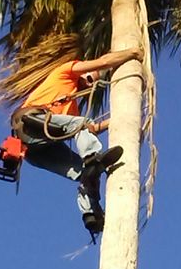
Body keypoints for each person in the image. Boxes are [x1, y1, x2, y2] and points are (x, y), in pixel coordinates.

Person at [12, 47, 143, 236]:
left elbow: (89, 129)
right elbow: (105, 62)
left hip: (35, 149)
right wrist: (132, 54)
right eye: (92, 77)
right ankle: (92, 157)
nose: (90, 83)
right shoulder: (65, 71)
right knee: (83, 134)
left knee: (85, 173)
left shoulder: (72, 109)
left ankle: (92, 216)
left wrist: (122, 119)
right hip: (30, 122)